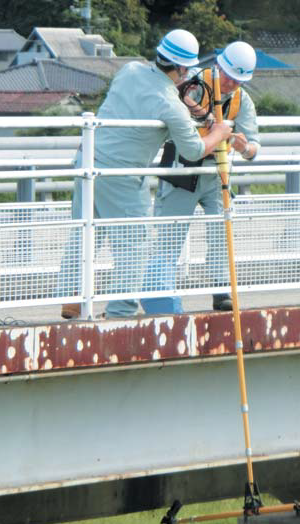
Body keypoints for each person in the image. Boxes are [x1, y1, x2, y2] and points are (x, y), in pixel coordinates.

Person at [61, 29, 232, 319]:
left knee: (86, 232)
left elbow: (147, 93)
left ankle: (72, 299)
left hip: (88, 158)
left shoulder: (129, 71)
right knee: (134, 244)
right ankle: (121, 310)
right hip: (122, 174)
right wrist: (219, 131)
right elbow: (193, 150)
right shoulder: (170, 104)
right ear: (182, 68)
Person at [140, 41, 260, 315]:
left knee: (221, 233)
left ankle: (222, 291)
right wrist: (208, 120)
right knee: (170, 236)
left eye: (238, 80)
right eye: (228, 76)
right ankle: (159, 295)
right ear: (219, 66)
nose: (231, 83)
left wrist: (243, 147)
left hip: (217, 174)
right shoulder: (192, 82)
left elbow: (254, 147)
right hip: (182, 170)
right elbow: (172, 101)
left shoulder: (243, 100)